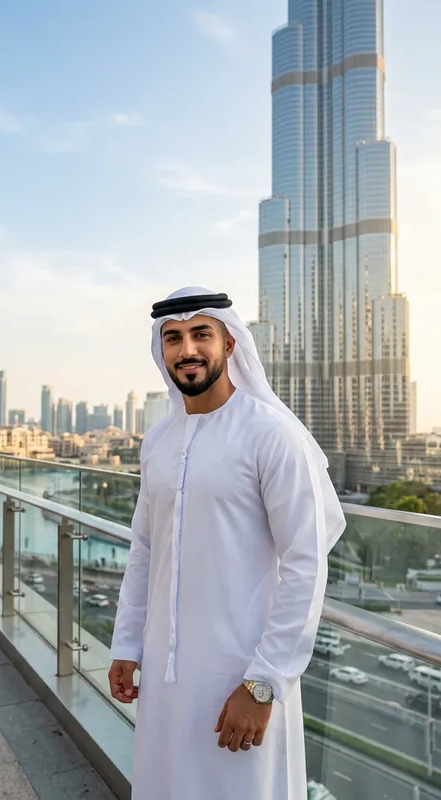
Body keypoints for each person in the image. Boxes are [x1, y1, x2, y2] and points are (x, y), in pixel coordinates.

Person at [108, 287, 346, 799]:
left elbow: (306, 564)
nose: (187, 349)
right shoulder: (158, 440)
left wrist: (263, 684)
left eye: (201, 334)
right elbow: (145, 549)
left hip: (241, 672)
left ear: (230, 343)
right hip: (164, 675)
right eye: (173, 338)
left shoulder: (271, 434)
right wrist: (126, 645)